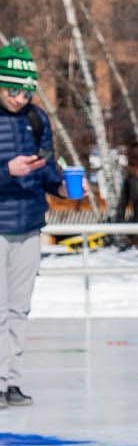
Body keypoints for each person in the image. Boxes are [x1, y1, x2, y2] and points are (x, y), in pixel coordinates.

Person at [0, 39, 60, 408]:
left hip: (28, 224)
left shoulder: (38, 119)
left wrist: (65, 187)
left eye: (26, 91)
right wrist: (6, 172)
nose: (20, 98)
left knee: (19, 308)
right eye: (12, 90)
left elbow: (48, 169)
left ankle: (10, 381)